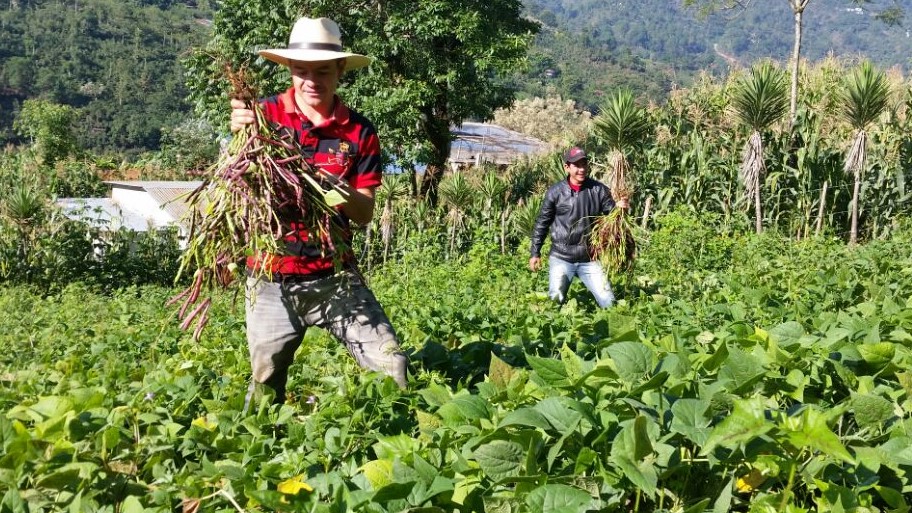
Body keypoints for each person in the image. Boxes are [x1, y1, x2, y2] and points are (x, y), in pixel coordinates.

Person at [229, 16, 407, 410]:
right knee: (264, 384)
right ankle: (260, 456)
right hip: (270, 278)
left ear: (341, 68)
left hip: (335, 277)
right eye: (301, 71)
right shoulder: (263, 117)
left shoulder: (359, 131)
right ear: (289, 69)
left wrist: (337, 191)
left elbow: (363, 213)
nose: (312, 80)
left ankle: (399, 445)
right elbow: (236, 186)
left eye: (323, 71)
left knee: (391, 365)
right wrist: (240, 134)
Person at [529, 146, 628, 308]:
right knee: (554, 303)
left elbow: (613, 216)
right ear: (567, 167)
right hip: (561, 256)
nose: (581, 169)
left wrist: (621, 209)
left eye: (584, 164)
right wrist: (535, 253)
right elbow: (542, 223)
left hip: (589, 258)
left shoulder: (599, 190)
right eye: (577, 165)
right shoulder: (555, 192)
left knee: (609, 302)